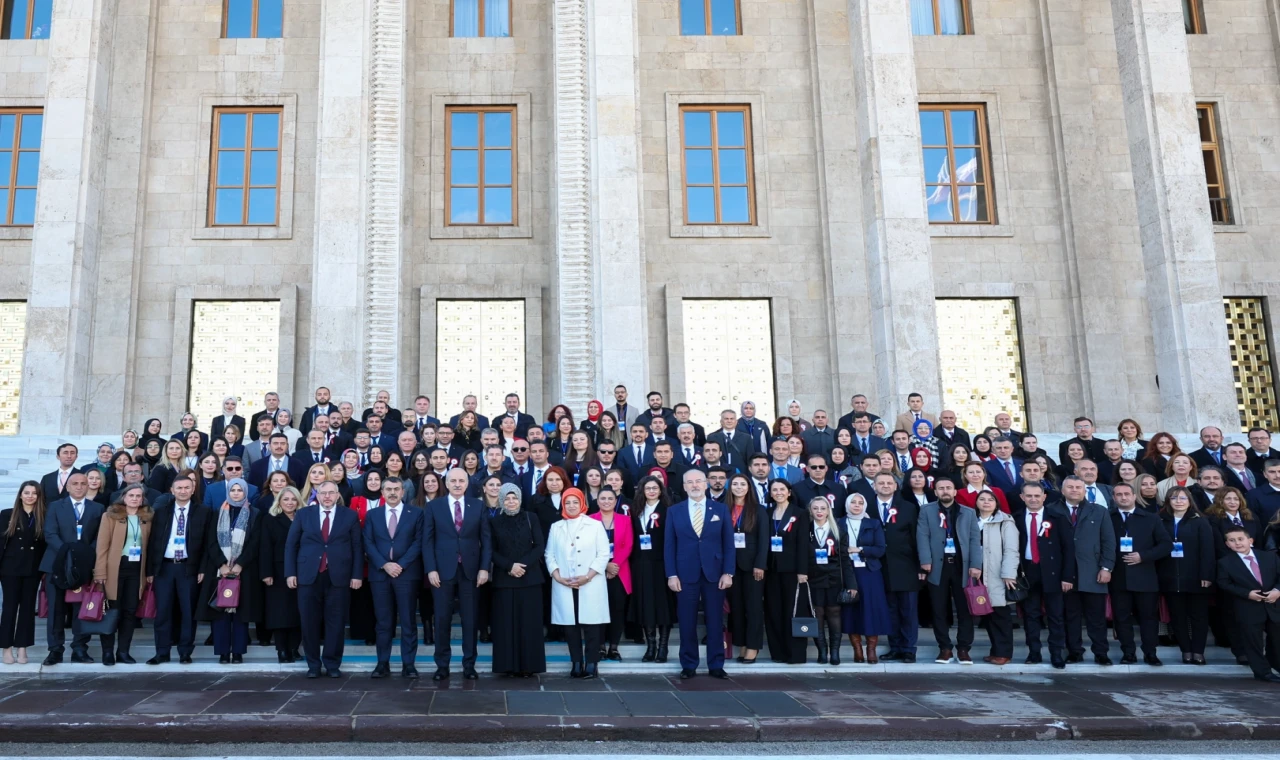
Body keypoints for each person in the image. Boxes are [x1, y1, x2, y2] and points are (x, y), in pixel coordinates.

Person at [286, 480, 362, 677]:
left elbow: (357, 548)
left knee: (336, 623)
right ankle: (313, 665)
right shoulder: (304, 514)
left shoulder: (350, 516)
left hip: (339, 577)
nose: (327, 496)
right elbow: (291, 545)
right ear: (316, 495)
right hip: (308, 576)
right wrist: (290, 573)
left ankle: (332, 664)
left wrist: (356, 575)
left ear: (338, 495)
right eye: (323, 493)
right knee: (309, 622)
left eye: (331, 493)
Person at [665, 469, 736, 679]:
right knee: (686, 621)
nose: (695, 485)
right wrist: (671, 575)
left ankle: (716, 664)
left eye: (698, 481)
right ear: (684, 486)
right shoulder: (674, 511)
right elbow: (669, 546)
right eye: (690, 482)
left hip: (715, 573)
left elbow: (729, 544)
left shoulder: (721, 509)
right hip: (685, 574)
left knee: (715, 620)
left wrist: (728, 572)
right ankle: (689, 664)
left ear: (706, 484)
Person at [423, 468, 492, 681]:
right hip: (442, 571)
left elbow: (486, 540)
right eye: (453, 480)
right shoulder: (434, 506)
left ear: (467, 483)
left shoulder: (478, 505)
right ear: (447, 482)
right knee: (442, 618)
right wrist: (431, 569)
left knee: (469, 620)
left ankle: (469, 665)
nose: (457, 484)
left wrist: (484, 568)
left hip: (471, 570)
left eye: (461, 480)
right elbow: (427, 541)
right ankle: (442, 665)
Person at [197, 478, 262, 665]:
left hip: (245, 571)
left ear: (245, 492)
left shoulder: (255, 514)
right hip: (220, 571)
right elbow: (210, 542)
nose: (235, 493)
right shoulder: (217, 513)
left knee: (241, 614)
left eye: (239, 490)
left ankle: (239, 652)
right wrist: (222, 565)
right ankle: (223, 652)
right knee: (220, 612)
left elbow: (255, 543)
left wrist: (240, 564)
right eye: (232, 490)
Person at [145, 474, 209, 665]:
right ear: (172, 490)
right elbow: (152, 543)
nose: (182, 491)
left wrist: (202, 568)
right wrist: (150, 570)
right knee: (163, 611)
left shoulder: (203, 512)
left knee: (188, 612)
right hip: (164, 567)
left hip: (188, 568)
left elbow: (207, 544)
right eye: (179, 488)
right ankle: (162, 652)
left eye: (186, 488)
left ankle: (185, 652)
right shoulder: (161, 512)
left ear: (192, 489)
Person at [41, 472, 104, 665]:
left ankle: (79, 649)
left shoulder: (98, 508)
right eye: (74, 483)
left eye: (83, 483)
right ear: (67, 487)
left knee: (80, 610)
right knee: (56, 610)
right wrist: (67, 554)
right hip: (56, 565)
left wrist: (81, 556)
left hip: (83, 568)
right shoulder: (55, 506)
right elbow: (50, 533)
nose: (79, 487)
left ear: (88, 486)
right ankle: (55, 650)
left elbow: (99, 538)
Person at [917, 478, 982, 664]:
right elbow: (922, 536)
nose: (945, 491)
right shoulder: (926, 511)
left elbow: (974, 540)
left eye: (948, 488)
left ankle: (963, 648)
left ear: (955, 491)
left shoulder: (968, 512)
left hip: (963, 566)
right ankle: (944, 648)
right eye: (941, 488)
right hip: (938, 566)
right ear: (935, 492)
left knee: (965, 609)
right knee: (938, 609)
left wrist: (976, 565)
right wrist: (925, 561)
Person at [547, 487, 609, 678]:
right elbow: (549, 554)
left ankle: (592, 663)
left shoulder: (595, 525)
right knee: (570, 626)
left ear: (582, 503)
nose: (571, 506)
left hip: (589, 582)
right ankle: (576, 662)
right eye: (567, 502)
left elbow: (603, 554)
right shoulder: (556, 526)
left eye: (575, 502)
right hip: (564, 582)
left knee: (591, 624)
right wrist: (557, 576)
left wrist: (588, 576)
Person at [364, 476, 423, 678]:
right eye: (388, 489)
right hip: (380, 575)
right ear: (382, 492)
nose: (392, 492)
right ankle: (383, 663)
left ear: (403, 491)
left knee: (408, 621)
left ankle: (409, 664)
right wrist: (385, 564)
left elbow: (418, 542)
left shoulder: (416, 514)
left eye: (396, 489)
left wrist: (401, 564)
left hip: (406, 574)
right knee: (383, 622)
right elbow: (368, 543)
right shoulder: (373, 515)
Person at [1110, 482, 1173, 665]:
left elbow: (1166, 545)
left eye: (1127, 494)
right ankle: (1128, 653)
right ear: (1114, 498)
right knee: (1121, 618)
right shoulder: (1108, 517)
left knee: (1148, 618)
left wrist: (1143, 556)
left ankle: (1150, 653)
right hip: (1118, 577)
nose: (1123, 497)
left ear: (1134, 496)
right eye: (1119, 494)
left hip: (1145, 576)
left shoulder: (1150, 518)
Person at [1014, 482, 1074, 668]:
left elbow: (1069, 549)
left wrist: (1067, 577)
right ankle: (1034, 653)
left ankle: (1056, 654)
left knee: (1055, 615)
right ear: (1022, 497)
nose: (1033, 499)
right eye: (1029, 496)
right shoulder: (1014, 518)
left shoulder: (1057, 517)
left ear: (1044, 497)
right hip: (1027, 572)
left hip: (1053, 573)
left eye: (1037, 496)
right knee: (1030, 615)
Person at [489, 483, 546, 676]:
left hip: (529, 578)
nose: (511, 502)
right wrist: (509, 566)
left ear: (520, 499)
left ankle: (529, 667)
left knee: (529, 624)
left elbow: (539, 546)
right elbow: (491, 550)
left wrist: (522, 565)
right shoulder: (494, 521)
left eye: (514, 498)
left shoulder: (531, 518)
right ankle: (508, 666)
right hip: (504, 580)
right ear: (501, 500)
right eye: (507, 498)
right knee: (506, 625)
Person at [92, 485, 152, 665]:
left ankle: (123, 652)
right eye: (131, 495)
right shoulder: (110, 516)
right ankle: (108, 652)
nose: (135, 499)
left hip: (136, 570)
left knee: (129, 612)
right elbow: (102, 547)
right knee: (112, 611)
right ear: (123, 497)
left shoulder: (147, 518)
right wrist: (100, 571)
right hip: (114, 570)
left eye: (138, 496)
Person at [1059, 475, 1116, 665]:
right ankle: (1074, 651)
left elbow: (1108, 542)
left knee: (1096, 617)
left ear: (1085, 490)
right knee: (1071, 616)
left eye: (1078, 487)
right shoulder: (1053, 511)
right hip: (1066, 574)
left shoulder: (1099, 511)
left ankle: (1101, 652)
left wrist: (1106, 567)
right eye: (1070, 487)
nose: (1074, 490)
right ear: (1062, 490)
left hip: (1093, 573)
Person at [1157, 486, 1215, 665]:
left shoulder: (1200, 521)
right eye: (1174, 498)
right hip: (1170, 577)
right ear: (1168, 501)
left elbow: (1207, 550)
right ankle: (1186, 651)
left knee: (1198, 617)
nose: (1178, 501)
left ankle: (1198, 651)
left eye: (1183, 498)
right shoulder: (1160, 520)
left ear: (1189, 501)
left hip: (1195, 577)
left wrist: (1206, 575)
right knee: (1178, 616)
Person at [1216, 525, 1280, 682]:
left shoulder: (1269, 557)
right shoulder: (1225, 563)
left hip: (1273, 604)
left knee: (1277, 639)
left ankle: (1276, 664)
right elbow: (1224, 583)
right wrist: (1247, 594)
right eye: (1232, 540)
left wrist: (1277, 591)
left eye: (1240, 539)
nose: (1237, 543)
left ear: (1250, 540)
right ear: (1227, 544)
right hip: (1248, 607)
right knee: (1253, 642)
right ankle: (1262, 672)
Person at [763, 479, 811, 664]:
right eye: (774, 490)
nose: (778, 492)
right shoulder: (767, 512)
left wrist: (802, 571)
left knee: (793, 611)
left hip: (792, 571)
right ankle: (778, 653)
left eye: (782, 489)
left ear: (789, 492)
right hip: (771, 570)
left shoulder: (799, 514)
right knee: (774, 611)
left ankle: (795, 654)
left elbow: (802, 545)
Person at [805, 495, 855, 666]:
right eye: (815, 508)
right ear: (810, 511)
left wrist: (851, 584)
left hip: (833, 577)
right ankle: (822, 651)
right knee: (817, 613)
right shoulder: (805, 530)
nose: (819, 512)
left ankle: (835, 652)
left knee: (834, 613)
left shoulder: (838, 530)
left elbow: (845, 560)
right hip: (813, 578)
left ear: (828, 510)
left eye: (823, 508)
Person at [723, 474, 767, 664]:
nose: (739, 487)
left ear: (749, 488)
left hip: (752, 567)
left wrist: (760, 564)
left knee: (753, 607)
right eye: (735, 484)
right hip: (730, 566)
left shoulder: (759, 510)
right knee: (737, 608)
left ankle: (753, 646)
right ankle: (741, 644)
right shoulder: (723, 509)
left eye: (743, 484)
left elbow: (764, 540)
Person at [629, 475, 674, 662]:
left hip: (662, 563)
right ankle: (651, 646)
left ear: (660, 490)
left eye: (655, 488)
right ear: (642, 491)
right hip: (641, 564)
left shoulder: (669, 510)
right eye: (648, 488)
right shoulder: (636, 510)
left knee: (663, 606)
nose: (651, 491)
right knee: (646, 605)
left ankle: (663, 648)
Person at [0, 482, 46, 665]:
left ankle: (22, 648)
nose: (30, 496)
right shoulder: (7, 514)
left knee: (27, 609)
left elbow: (44, 545)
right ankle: (6, 648)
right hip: (10, 568)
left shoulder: (42, 516)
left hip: (32, 569)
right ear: (20, 495)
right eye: (26, 493)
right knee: (10, 607)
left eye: (34, 493)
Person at [972, 489, 1019, 665]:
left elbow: (1011, 549)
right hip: (977, 573)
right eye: (982, 499)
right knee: (988, 616)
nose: (986, 502)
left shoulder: (1005, 521)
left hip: (998, 574)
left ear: (996, 502)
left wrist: (1008, 573)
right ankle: (995, 651)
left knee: (1001, 615)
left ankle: (1004, 653)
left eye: (990, 499)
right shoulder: (972, 520)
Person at [259, 486, 302, 663]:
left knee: (298, 611)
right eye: (286, 499)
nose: (290, 503)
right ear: (279, 501)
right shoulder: (270, 520)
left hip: (301, 570)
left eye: (293, 499)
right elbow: (265, 548)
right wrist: (266, 573)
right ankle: (282, 650)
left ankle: (294, 648)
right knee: (280, 612)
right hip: (277, 572)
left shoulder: (304, 518)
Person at [591, 486, 632, 661]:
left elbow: (628, 545)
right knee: (597, 610)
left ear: (615, 501)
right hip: (597, 572)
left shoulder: (625, 520)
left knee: (617, 609)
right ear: (597, 501)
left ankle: (614, 647)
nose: (606, 501)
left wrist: (614, 565)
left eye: (610, 499)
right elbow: (588, 547)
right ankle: (600, 646)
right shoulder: (590, 520)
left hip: (619, 571)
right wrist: (605, 566)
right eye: (603, 498)